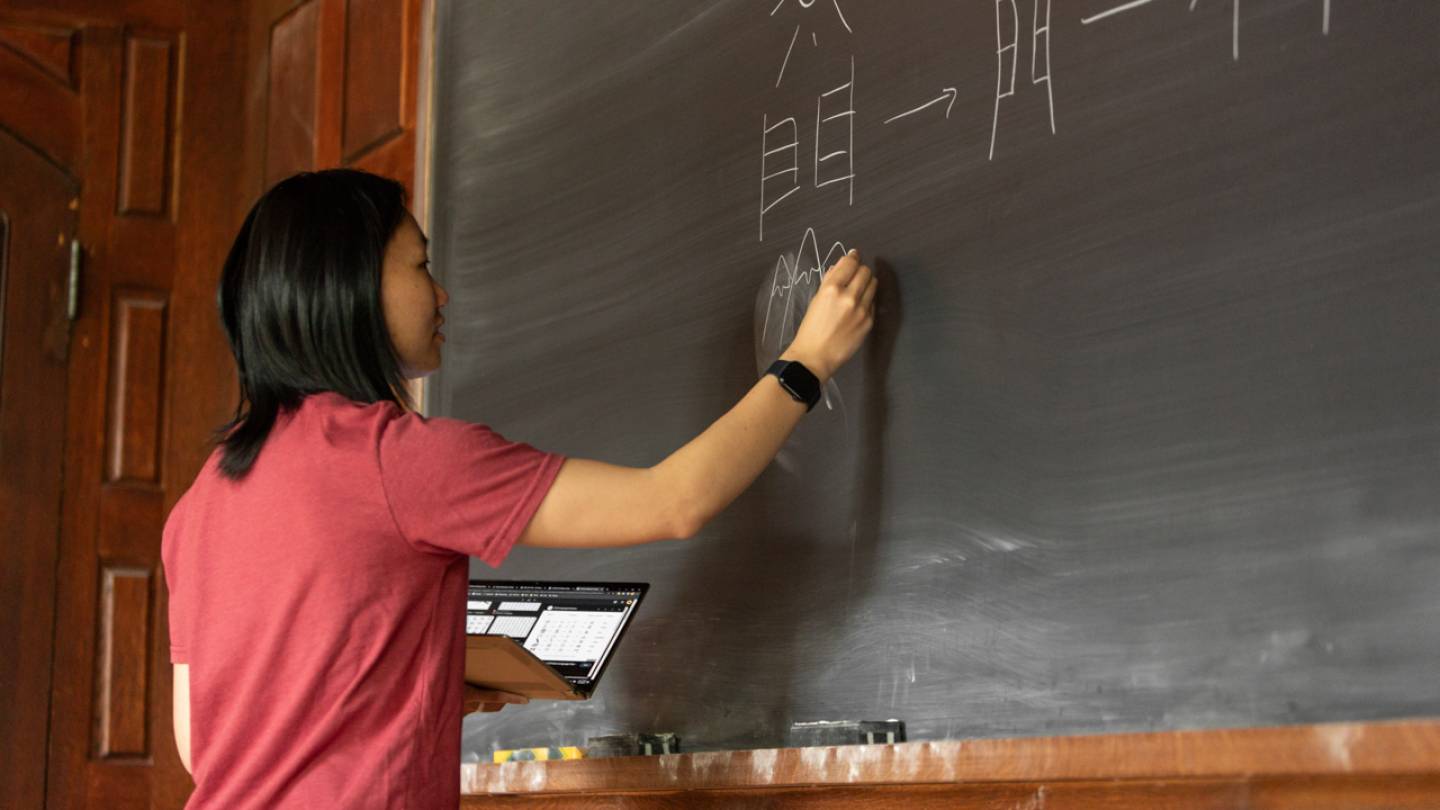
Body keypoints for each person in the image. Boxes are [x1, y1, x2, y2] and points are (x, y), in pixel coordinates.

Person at [162, 168, 875, 808]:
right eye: (420, 264)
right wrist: (806, 363)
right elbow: (673, 500)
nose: (441, 293)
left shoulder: (203, 501)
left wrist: (419, 681)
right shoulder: (397, 460)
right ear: (352, 285)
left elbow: (204, 740)